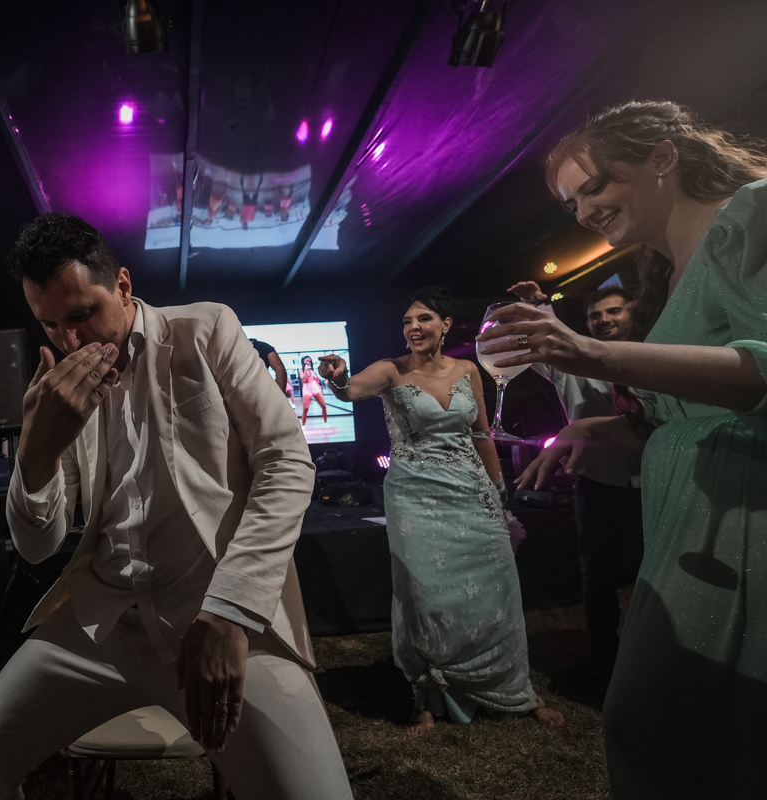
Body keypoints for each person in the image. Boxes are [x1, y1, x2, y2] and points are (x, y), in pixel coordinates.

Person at [0, 213, 352, 800]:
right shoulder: (61, 388)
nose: (70, 341)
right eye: (50, 324)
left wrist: (230, 612)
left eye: (82, 314)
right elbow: (36, 546)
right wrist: (34, 454)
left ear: (123, 286)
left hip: (212, 612)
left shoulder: (205, 329)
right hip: (106, 623)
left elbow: (286, 462)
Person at [478, 100, 767, 799]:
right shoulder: (661, 274)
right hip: (687, 514)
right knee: (684, 730)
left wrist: (592, 353)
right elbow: (693, 410)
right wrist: (604, 429)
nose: (582, 213)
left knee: (664, 725)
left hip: (743, 511)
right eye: (571, 203)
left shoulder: (752, 214)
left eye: (594, 187)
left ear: (663, 156)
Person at [319, 287, 563, 735]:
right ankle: (428, 695)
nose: (414, 327)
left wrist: (498, 492)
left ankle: (514, 688)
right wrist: (337, 376)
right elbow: (350, 389)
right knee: (424, 594)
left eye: (424, 318)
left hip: (472, 491)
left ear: (446, 325)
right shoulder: (391, 370)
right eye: (407, 321)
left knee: (498, 587)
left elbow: (482, 434)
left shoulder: (469, 370)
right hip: (416, 497)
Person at [507, 281, 645, 685]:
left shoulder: (654, 359)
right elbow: (544, 345)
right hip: (598, 481)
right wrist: (536, 308)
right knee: (596, 575)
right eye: (594, 316)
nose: (604, 320)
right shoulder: (574, 365)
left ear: (633, 312)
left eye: (613, 311)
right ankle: (603, 656)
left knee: (651, 571)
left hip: (653, 479)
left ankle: (650, 655)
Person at [299, 354, 328, 425]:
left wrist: (321, 379)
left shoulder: (312, 370)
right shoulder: (301, 370)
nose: (308, 362)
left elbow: (318, 379)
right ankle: (303, 424)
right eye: (307, 361)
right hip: (307, 388)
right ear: (303, 361)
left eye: (309, 361)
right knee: (305, 408)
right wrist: (306, 370)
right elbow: (304, 379)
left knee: (323, 405)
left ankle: (325, 422)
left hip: (314, 387)